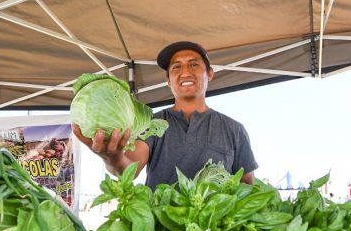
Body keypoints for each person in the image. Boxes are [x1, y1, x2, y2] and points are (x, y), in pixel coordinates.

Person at [73, 41, 258, 190]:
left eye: (194, 64)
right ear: (168, 80)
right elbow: (129, 168)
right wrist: (111, 157)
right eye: (176, 67)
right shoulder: (152, 123)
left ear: (209, 74)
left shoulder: (234, 129)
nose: (185, 72)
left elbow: (248, 187)